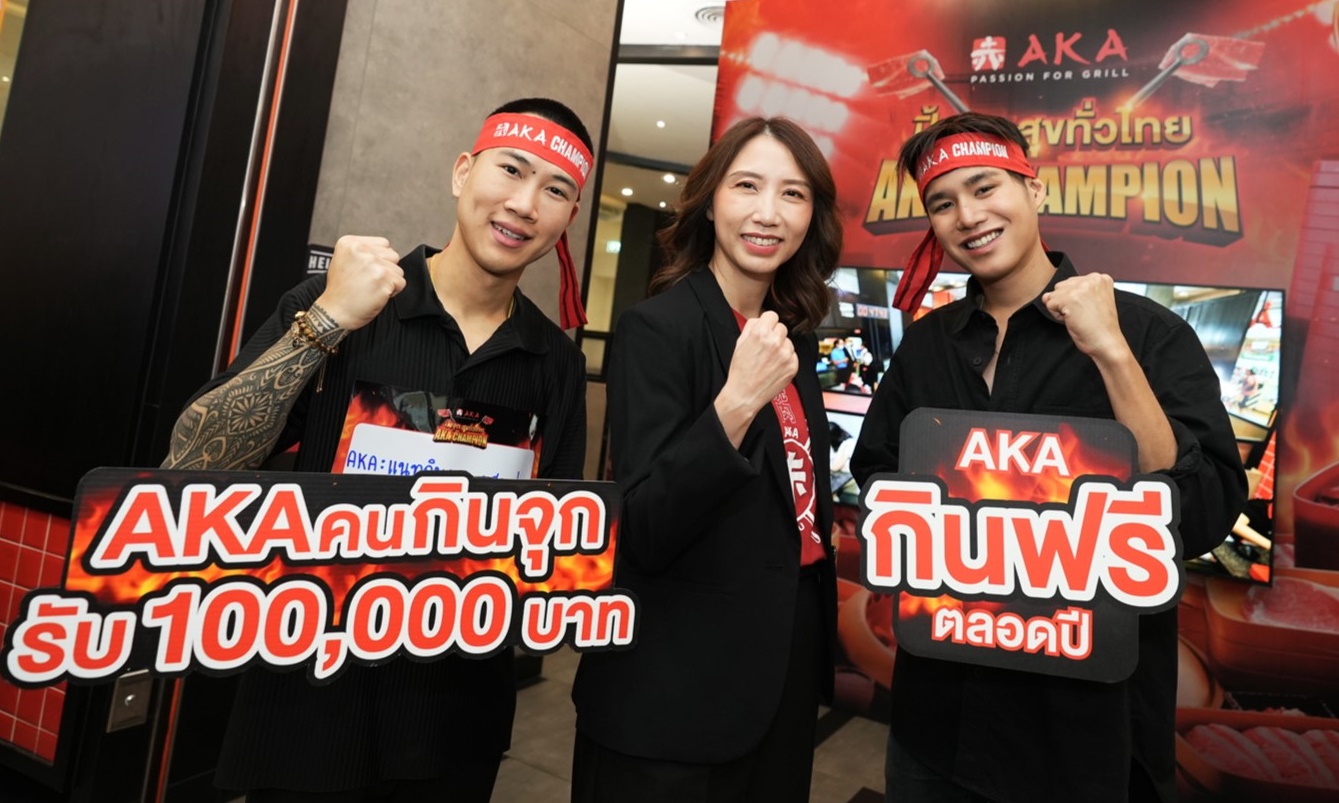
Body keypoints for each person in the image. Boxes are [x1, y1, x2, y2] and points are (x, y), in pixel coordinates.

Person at [162, 97, 594, 802]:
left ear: (568, 217)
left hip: (456, 717)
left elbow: (550, 546)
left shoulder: (557, 364)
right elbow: (194, 464)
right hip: (310, 701)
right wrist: (328, 320)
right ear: (462, 172)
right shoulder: (340, 303)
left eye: (555, 190)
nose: (523, 204)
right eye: (511, 170)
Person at [850, 112, 1246, 803]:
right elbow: (875, 474)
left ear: (1033, 190)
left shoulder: (1147, 334)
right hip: (938, 724)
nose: (967, 216)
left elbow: (1204, 509)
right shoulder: (927, 345)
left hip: (1087, 739)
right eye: (942, 203)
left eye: (985, 187)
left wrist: (1110, 352)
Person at [570, 116, 842, 802]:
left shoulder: (791, 338)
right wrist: (735, 403)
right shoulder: (657, 329)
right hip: (674, 688)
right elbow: (645, 524)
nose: (767, 212)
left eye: (792, 193)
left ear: (811, 216)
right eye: (746, 185)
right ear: (710, 200)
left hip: (779, 672)